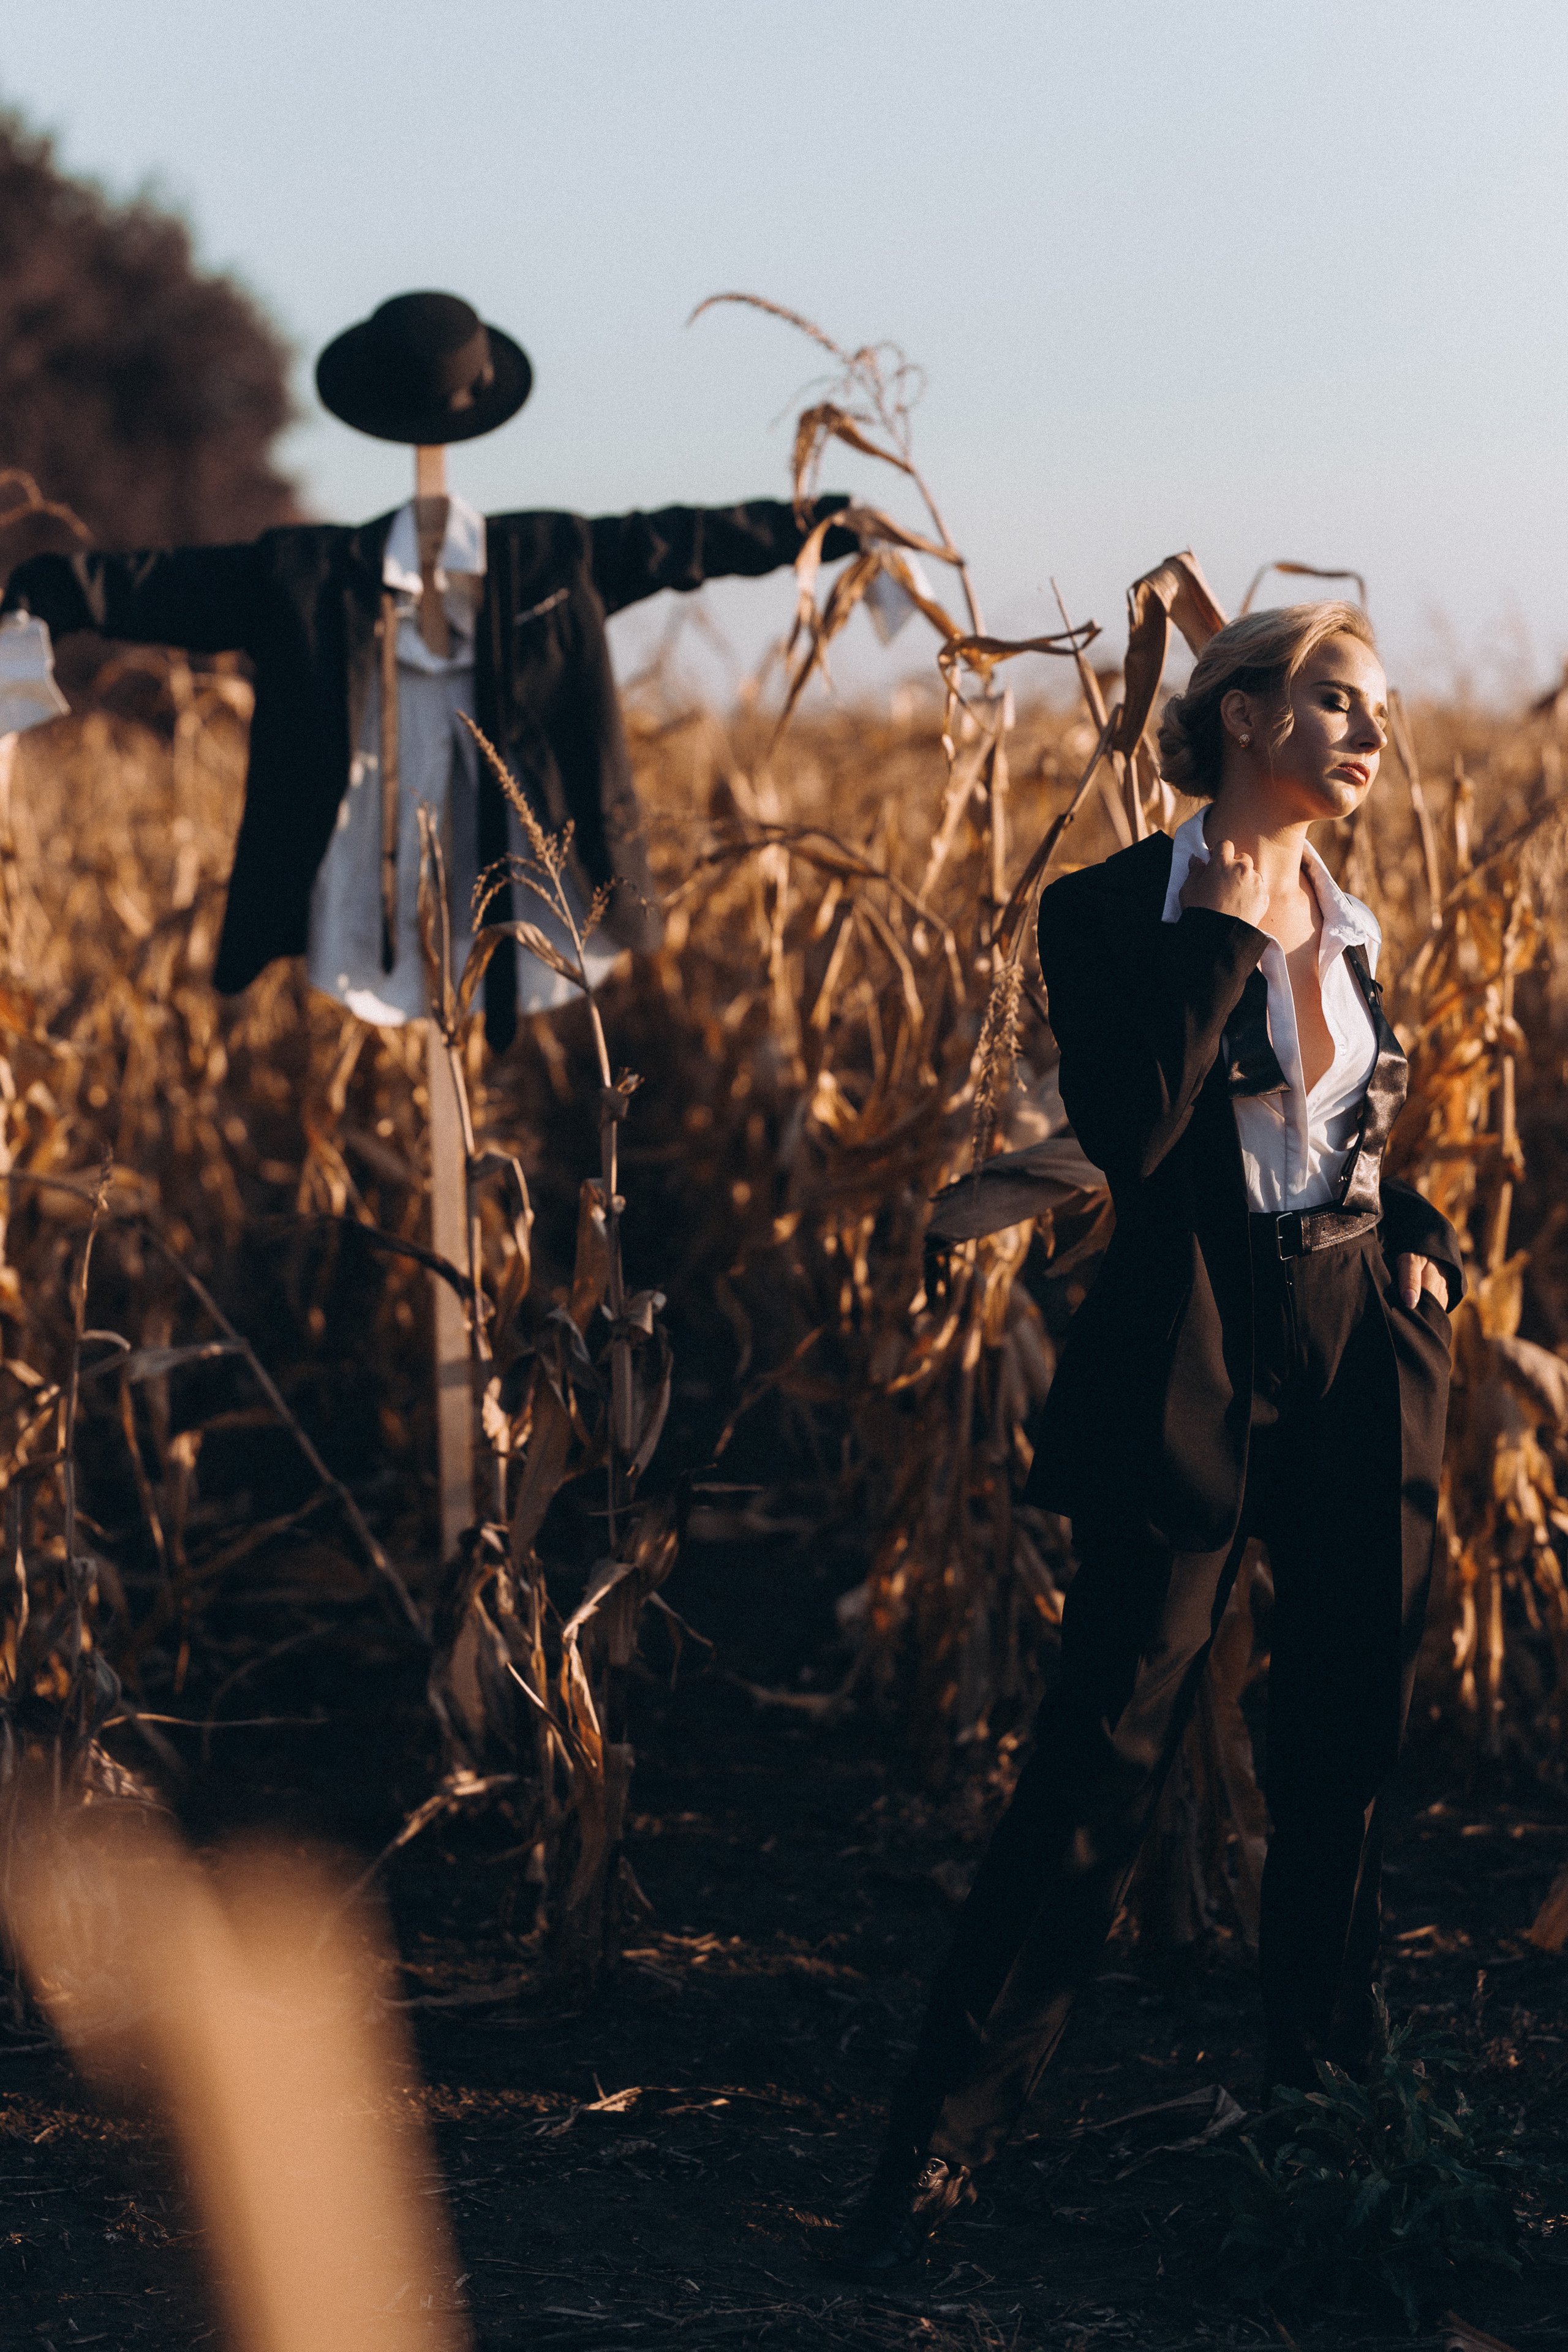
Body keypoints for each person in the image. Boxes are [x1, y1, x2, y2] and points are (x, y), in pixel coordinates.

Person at [840, 601, 1461, 2275]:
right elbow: (1132, 1123)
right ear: (1243, 711)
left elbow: (1348, 1131)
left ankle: (1334, 2134)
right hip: (1191, 1354)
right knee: (1100, 1756)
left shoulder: (1360, 921)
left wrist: (1420, 1234)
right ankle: (938, 2165)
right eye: (1338, 701)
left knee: (1340, 1756)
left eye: (1381, 710)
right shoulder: (1117, 908)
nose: (1369, 734)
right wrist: (1231, 935)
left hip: (1351, 1351)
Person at [1, 291, 858, 1048]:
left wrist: (835, 527)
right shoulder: (310, 575)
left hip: (536, 865)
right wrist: (42, 594)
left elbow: (691, 541)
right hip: (361, 867)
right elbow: (161, 589)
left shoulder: (554, 557)